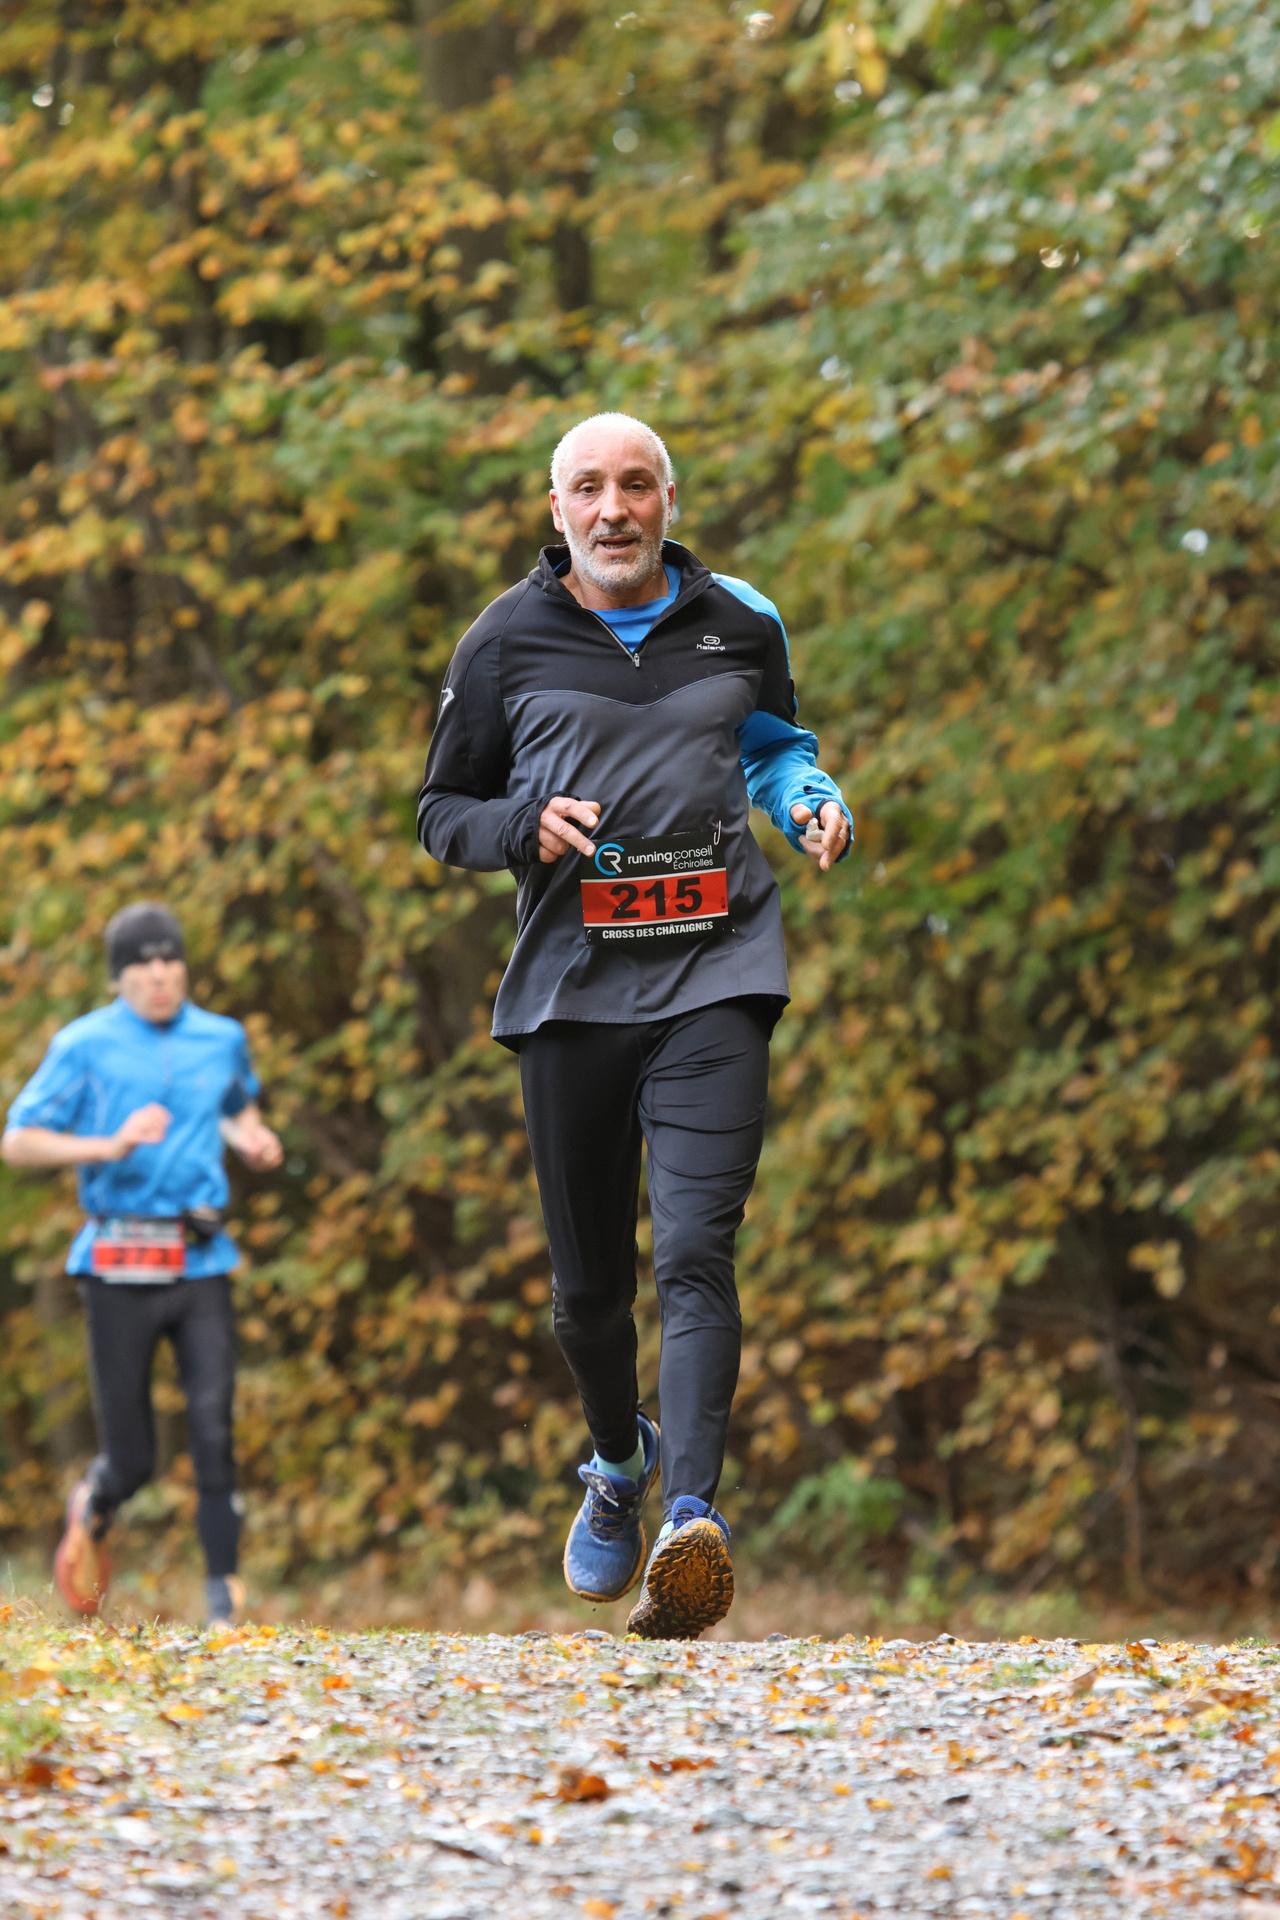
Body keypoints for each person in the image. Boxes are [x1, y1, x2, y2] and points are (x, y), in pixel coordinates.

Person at [416, 412, 851, 1639]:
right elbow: (442, 810)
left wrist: (807, 800)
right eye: (588, 488)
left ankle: (690, 1525)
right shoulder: (502, 640)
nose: (614, 509)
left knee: (696, 1251)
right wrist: (521, 826)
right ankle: (619, 1461)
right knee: (587, 1294)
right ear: (555, 510)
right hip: (571, 992)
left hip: (717, 973)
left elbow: (773, 747)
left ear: (668, 500)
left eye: (636, 485)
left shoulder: (739, 619)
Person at [1, 902, 282, 1623]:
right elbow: (18, 1140)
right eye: (143, 964)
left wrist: (252, 1138)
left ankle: (224, 1603)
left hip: (200, 1258)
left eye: (170, 960)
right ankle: (95, 1503)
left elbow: (233, 1106)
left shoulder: (221, 1038)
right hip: (117, 1263)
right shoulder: (83, 1044)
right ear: (118, 978)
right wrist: (109, 1146)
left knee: (214, 1428)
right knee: (132, 1459)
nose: (160, 975)